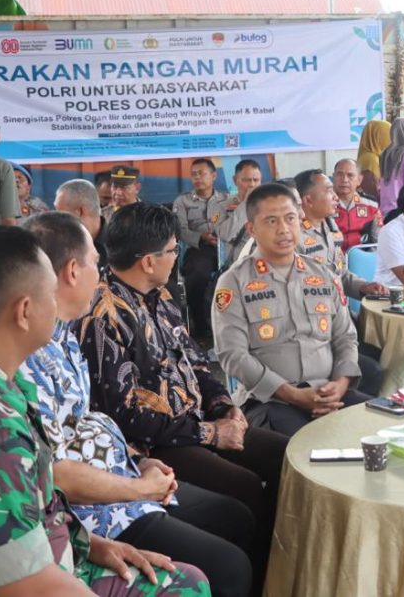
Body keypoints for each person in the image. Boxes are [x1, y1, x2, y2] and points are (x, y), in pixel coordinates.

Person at [0, 225, 209, 596]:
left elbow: (35, 490)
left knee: (188, 578)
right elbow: (32, 588)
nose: (60, 305)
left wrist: (89, 544)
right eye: (52, 293)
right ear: (25, 311)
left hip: (36, 562)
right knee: (185, 588)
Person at [23, 212, 253, 597]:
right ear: (71, 272)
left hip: (126, 465)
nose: (102, 276)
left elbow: (90, 417)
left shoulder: (61, 333)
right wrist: (140, 486)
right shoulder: (50, 342)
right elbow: (55, 473)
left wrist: (138, 460)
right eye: (96, 263)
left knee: (238, 516)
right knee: (227, 563)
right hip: (98, 507)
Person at [77, 202, 288, 563]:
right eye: (174, 250)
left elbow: (196, 360)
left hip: (199, 421)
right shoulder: (103, 315)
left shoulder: (161, 297)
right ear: (147, 260)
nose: (177, 257)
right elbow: (124, 416)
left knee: (285, 454)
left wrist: (224, 406)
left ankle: (281, 569)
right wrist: (211, 433)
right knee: (246, 487)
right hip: (156, 443)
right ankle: (254, 574)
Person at [213, 182, 369, 436]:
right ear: (251, 229)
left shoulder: (323, 273)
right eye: (271, 221)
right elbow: (233, 355)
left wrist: (339, 386)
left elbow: (345, 337)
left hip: (328, 392)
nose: (284, 229)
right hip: (270, 400)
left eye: (290, 218)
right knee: (308, 446)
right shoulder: (234, 282)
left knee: (379, 427)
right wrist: (294, 395)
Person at [294, 169, 387, 300]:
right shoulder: (294, 237)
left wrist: (363, 286)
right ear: (308, 200)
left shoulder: (331, 227)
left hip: (338, 308)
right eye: (329, 190)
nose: (336, 197)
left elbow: (340, 274)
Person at [175, 159, 233, 340]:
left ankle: (231, 327)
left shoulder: (228, 200)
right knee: (197, 275)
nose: (197, 178)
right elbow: (180, 229)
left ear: (214, 176)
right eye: (194, 174)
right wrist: (201, 237)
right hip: (199, 248)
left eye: (202, 173)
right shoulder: (183, 201)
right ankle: (200, 326)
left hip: (226, 248)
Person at [215, 160, 264, 270]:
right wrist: (246, 203)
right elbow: (225, 234)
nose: (252, 184)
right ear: (235, 180)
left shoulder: (268, 204)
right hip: (238, 260)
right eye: (246, 180)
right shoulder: (221, 204)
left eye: (256, 180)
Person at [56, 178, 108, 271]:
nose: (58, 220)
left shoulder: (119, 246)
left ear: (79, 211)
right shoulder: (59, 246)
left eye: (61, 214)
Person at [331, 158, 381, 252]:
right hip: (334, 258)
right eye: (339, 174)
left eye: (350, 175)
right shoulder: (325, 204)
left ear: (359, 179)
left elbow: (378, 238)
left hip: (364, 257)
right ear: (333, 177)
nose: (344, 180)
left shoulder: (371, 204)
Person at [356, 119, 391, 200]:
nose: (390, 140)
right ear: (378, 137)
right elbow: (373, 190)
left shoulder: (373, 156)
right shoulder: (370, 159)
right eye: (388, 135)